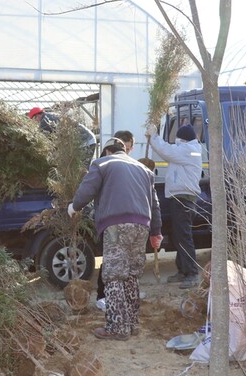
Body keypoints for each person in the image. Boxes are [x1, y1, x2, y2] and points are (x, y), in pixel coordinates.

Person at [68, 137, 162, 340]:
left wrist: (74, 206)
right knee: (131, 276)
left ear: (108, 151)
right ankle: (132, 324)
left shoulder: (102, 163)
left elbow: (87, 190)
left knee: (112, 276)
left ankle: (117, 327)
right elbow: (154, 203)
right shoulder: (143, 169)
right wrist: (156, 231)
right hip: (142, 225)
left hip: (116, 225)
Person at [145, 122, 203, 289]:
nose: (176, 141)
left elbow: (166, 151)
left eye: (178, 138)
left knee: (184, 237)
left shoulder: (188, 150)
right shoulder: (187, 150)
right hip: (180, 199)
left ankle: (192, 273)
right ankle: (183, 270)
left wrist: (154, 136)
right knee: (179, 237)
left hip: (183, 200)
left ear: (183, 139)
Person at [95, 130, 139, 312]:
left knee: (123, 261)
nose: (127, 153)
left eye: (129, 149)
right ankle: (102, 296)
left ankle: (120, 297)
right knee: (111, 261)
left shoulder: (126, 166)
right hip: (111, 219)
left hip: (122, 219)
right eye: (125, 148)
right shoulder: (103, 165)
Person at [28, 106, 97, 164]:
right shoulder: (50, 116)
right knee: (77, 168)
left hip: (85, 141)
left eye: (34, 120)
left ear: (37, 116)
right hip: (85, 140)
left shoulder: (45, 121)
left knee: (81, 168)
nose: (35, 122)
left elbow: (44, 140)